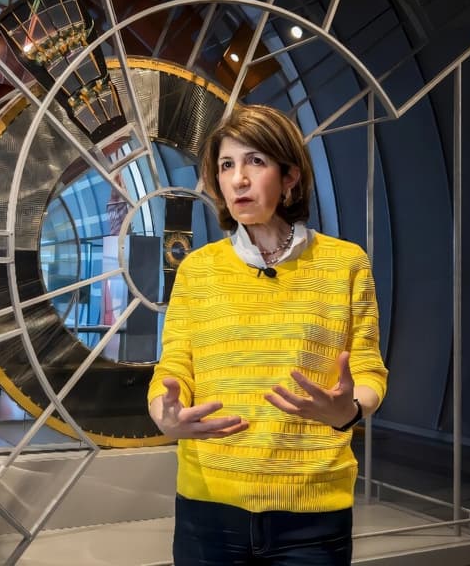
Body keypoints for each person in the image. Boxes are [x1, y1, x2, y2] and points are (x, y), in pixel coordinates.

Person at [148, 104, 388, 565]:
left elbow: (367, 368)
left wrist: (351, 409)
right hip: (209, 511)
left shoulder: (345, 263)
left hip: (313, 514)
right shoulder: (197, 269)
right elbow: (174, 366)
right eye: (226, 165)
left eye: (255, 162)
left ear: (290, 176)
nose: (238, 179)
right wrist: (165, 415)